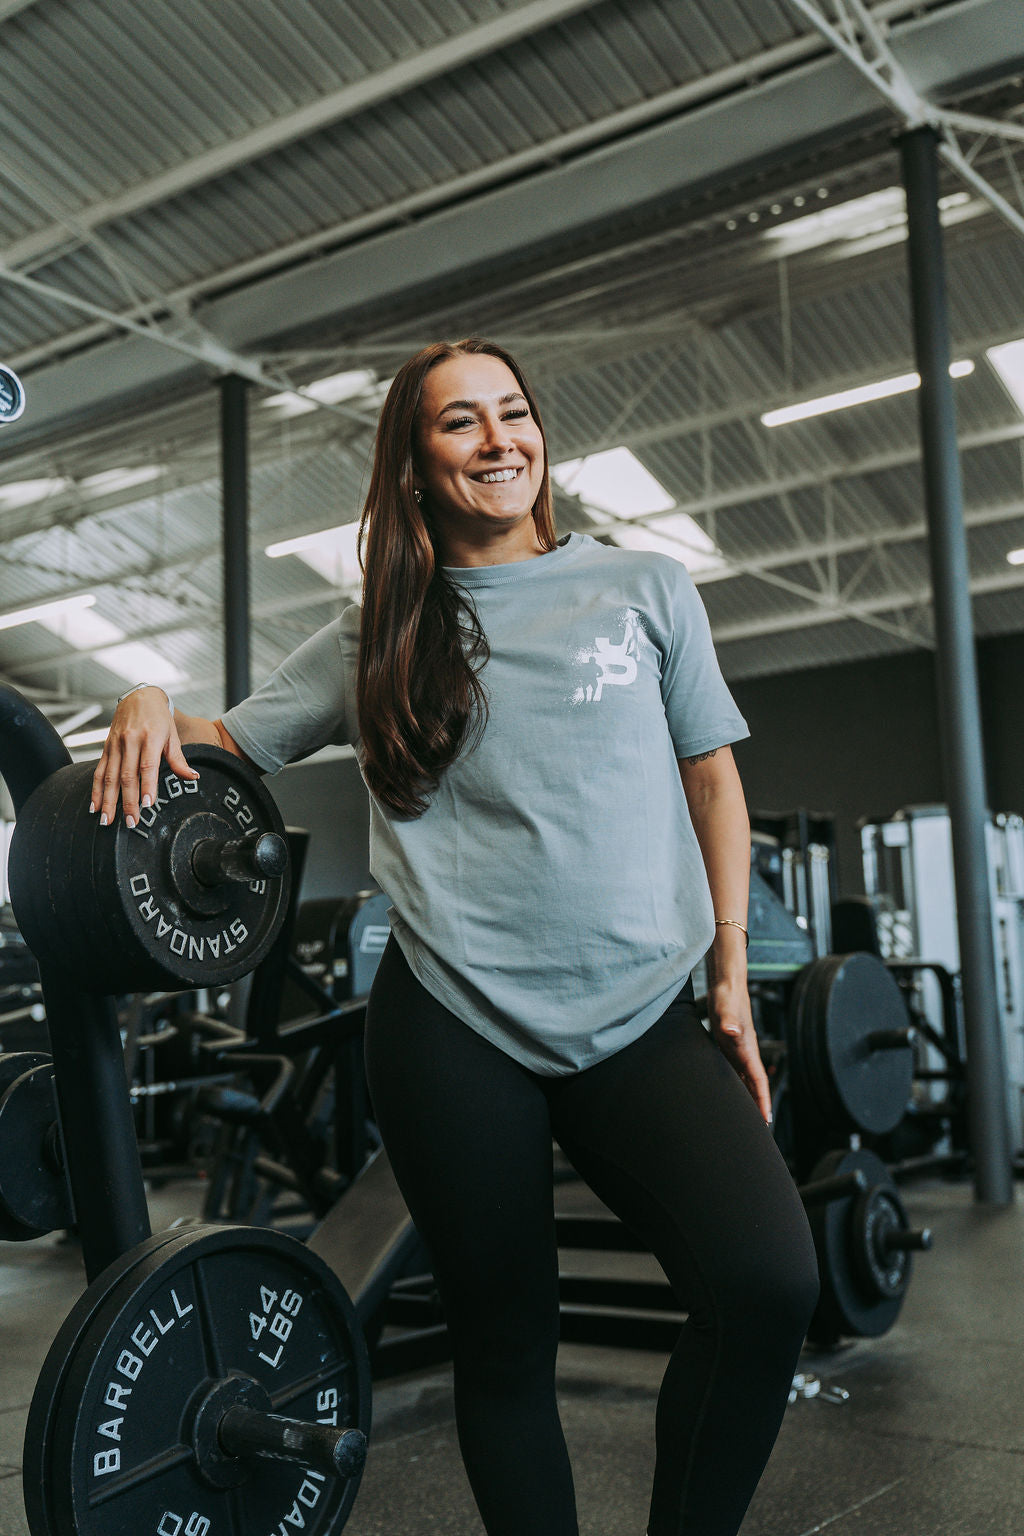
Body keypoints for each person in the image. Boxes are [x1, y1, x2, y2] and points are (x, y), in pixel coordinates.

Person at [92, 338, 819, 1536]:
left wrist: (729, 972)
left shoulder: (644, 587)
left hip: (640, 1014)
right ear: (414, 465)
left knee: (767, 1281)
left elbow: (712, 780)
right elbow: (223, 745)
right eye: (460, 422)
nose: (499, 439)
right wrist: (147, 699)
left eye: (514, 412)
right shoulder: (377, 634)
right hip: (452, 1026)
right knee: (504, 1343)